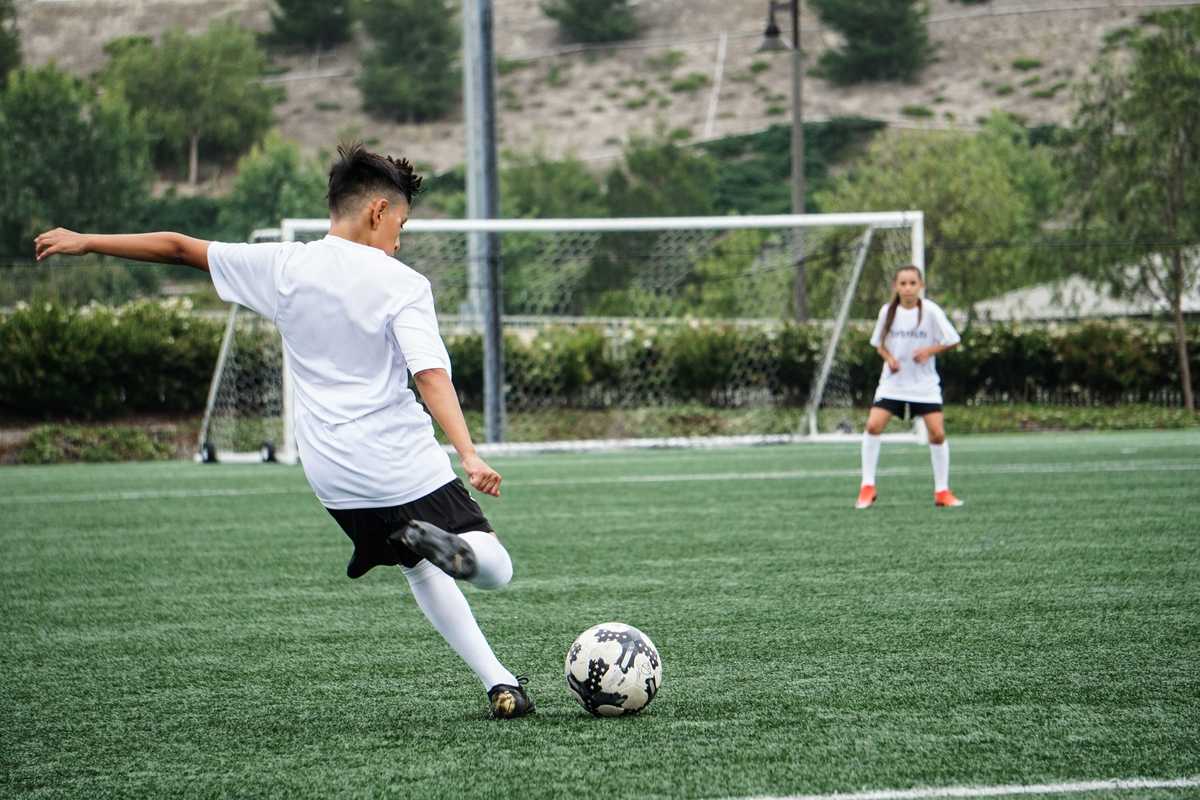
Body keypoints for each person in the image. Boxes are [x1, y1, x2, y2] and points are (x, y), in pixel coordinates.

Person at [33, 143, 534, 719]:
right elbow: (429, 374)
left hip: (334, 478)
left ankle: (499, 682)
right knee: (495, 568)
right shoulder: (402, 282)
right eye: (400, 223)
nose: (399, 238)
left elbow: (176, 247)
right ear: (377, 210)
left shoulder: (283, 265)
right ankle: (461, 554)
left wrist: (87, 241)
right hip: (400, 460)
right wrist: (468, 453)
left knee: (417, 565)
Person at [856, 265, 964, 510]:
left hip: (923, 385)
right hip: (893, 384)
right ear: (896, 286)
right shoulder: (888, 312)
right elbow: (878, 344)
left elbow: (953, 339)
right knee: (873, 425)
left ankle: (942, 491)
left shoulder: (931, 311)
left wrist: (929, 350)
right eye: (903, 283)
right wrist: (889, 358)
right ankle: (867, 486)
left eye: (912, 283)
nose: (907, 288)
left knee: (937, 433)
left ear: (921, 286)